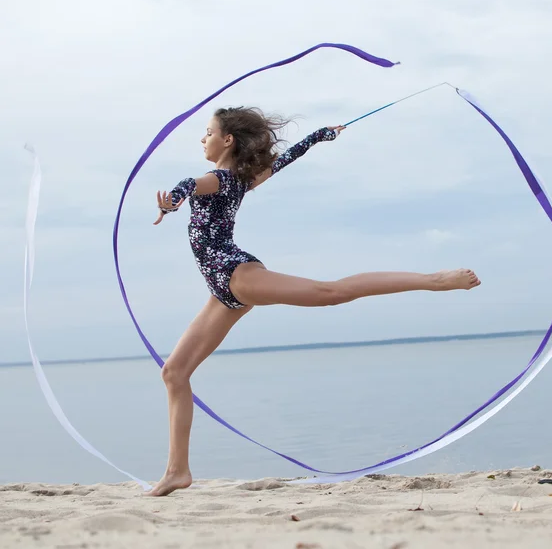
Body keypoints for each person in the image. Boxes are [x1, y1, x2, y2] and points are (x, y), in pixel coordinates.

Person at [149, 106, 481, 496]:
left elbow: (190, 184)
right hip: (222, 291)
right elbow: (286, 159)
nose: (202, 139)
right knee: (174, 373)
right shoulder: (240, 179)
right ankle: (177, 471)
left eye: (207, 132)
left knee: (330, 293)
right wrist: (319, 136)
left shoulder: (220, 178)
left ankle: (435, 280)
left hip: (237, 277)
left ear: (227, 140)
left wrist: (172, 200)